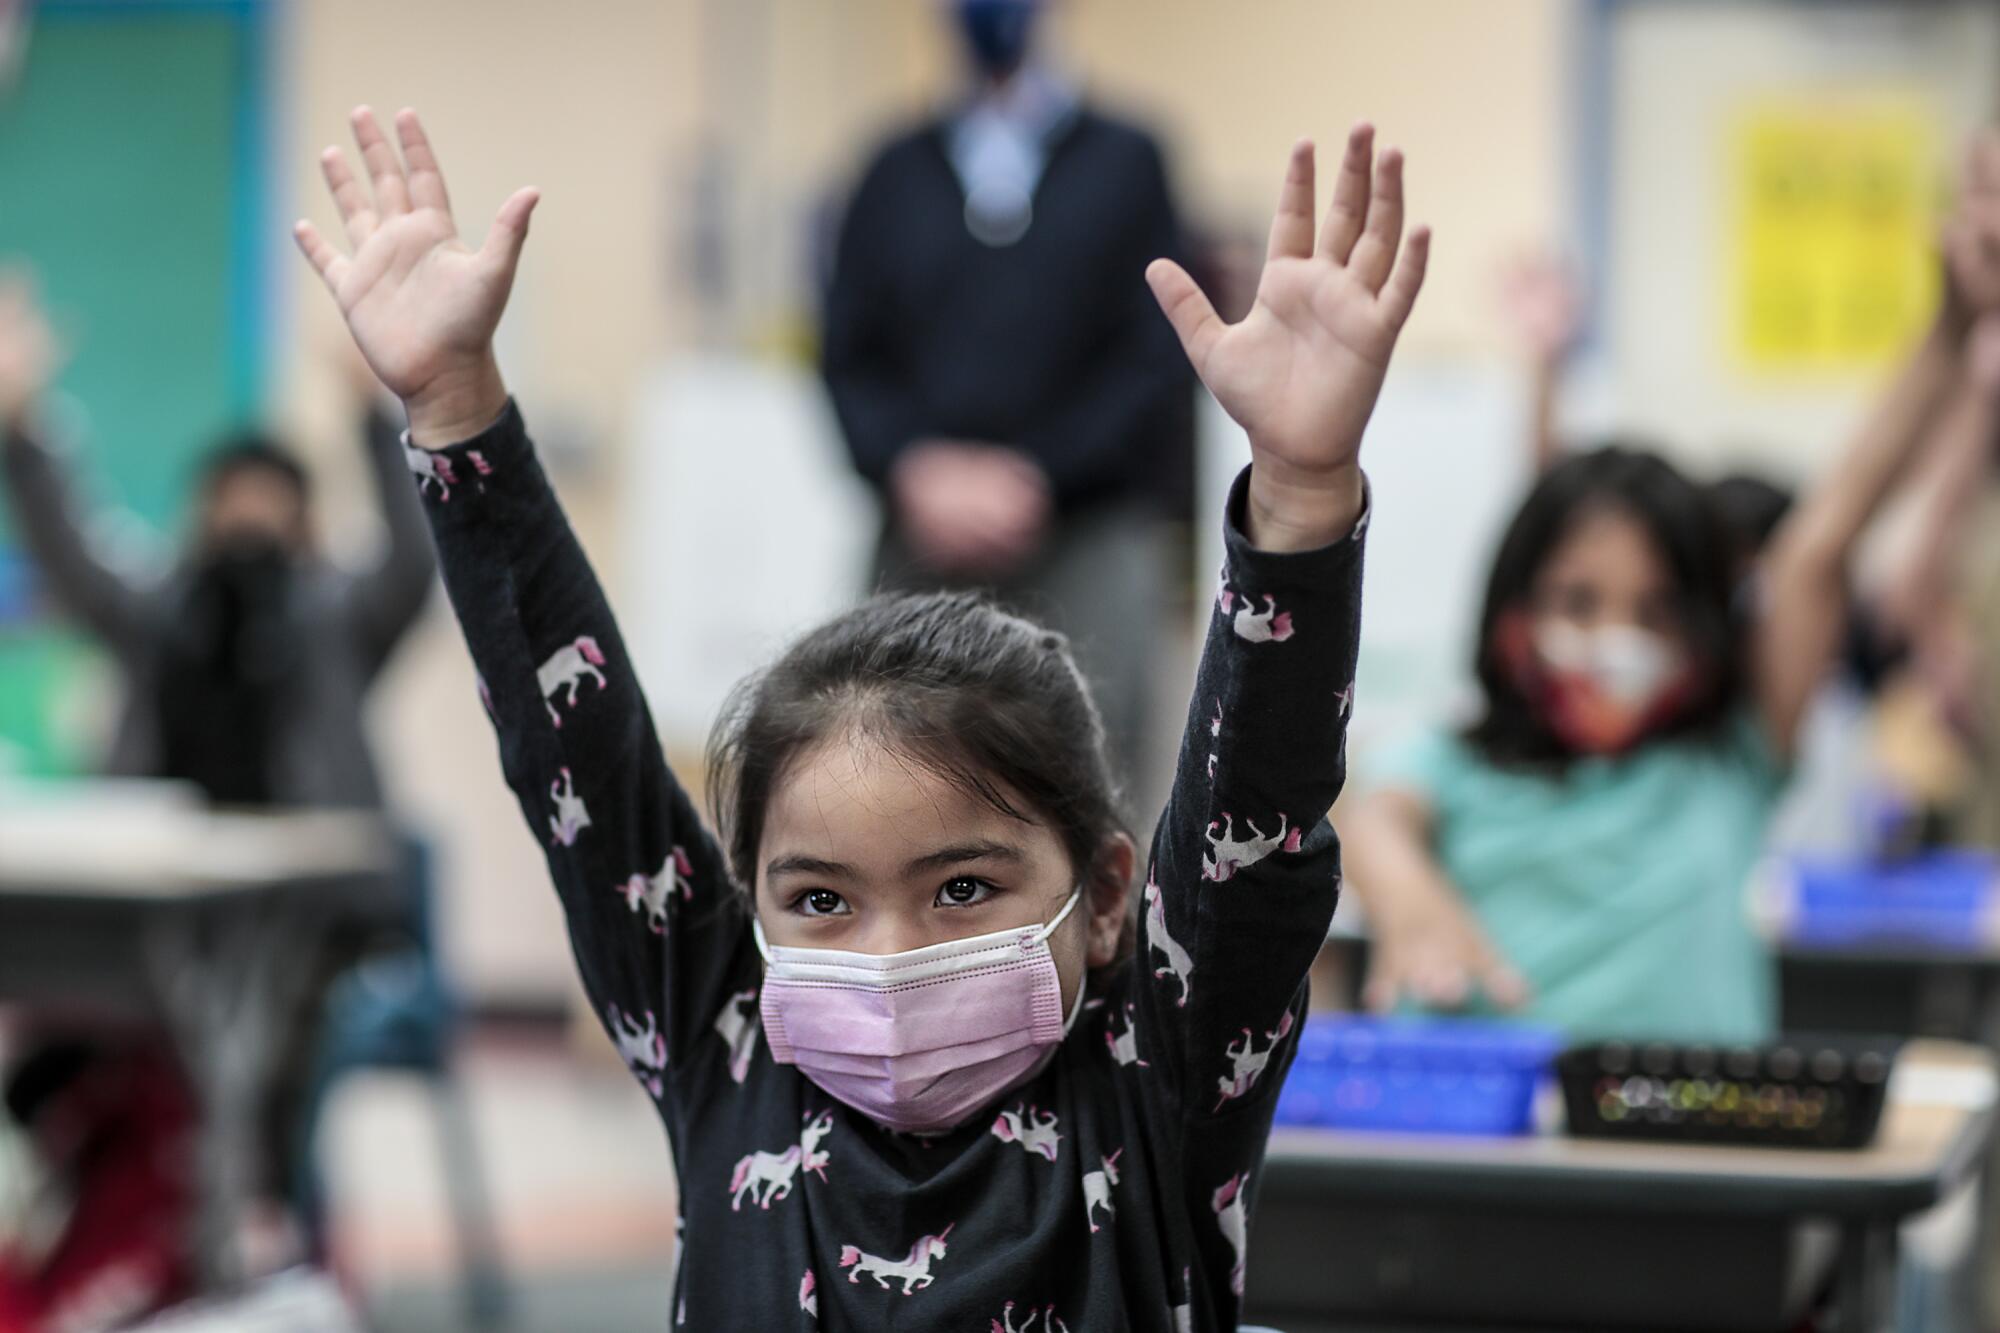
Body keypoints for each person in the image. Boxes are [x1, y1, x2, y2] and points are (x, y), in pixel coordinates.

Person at [293, 104, 1425, 1326]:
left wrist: (1303, 494)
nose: (886, 961)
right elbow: (570, 738)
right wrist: (456, 406)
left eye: (961, 889)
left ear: (1103, 897)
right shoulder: (725, 1042)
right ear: (748, 904)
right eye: (821, 900)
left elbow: (1253, 814)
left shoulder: (1157, 1082)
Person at [1344, 132, 2000, 1043]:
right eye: (1577, 603)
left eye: (1655, 611)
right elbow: (1371, 810)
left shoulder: (1729, 763)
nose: (1613, 638)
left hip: (1693, 1168)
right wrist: (1407, 894)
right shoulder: (1458, 764)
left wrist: (1953, 323)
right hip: (1488, 1166)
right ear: (1513, 615)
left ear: (1707, 624)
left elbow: (1824, 538)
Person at [820, 0, 1193, 802]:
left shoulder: (1130, 161)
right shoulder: (891, 170)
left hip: (1089, 535)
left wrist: (1039, 478)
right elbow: (848, 354)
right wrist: (917, 467)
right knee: (896, 788)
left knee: (1094, 798)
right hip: (923, 542)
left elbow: (1155, 355)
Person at [0, 275, 435, 808]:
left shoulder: (339, 616)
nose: (248, 518)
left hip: (310, 868)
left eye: (268, 502)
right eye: (232, 501)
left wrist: (378, 410)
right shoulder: (158, 606)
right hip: (161, 861)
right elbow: (70, 552)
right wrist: (23, 426)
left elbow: (412, 561)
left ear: (302, 518)